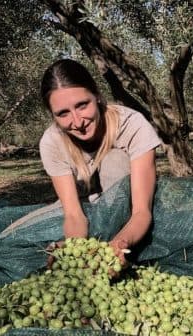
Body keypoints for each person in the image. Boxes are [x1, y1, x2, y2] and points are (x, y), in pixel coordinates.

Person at [38, 58, 162, 265]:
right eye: (63, 113)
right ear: (53, 115)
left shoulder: (133, 126)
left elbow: (141, 212)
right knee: (8, 238)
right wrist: (75, 247)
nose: (77, 122)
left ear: (96, 95)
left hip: (128, 213)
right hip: (83, 209)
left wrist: (119, 245)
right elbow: (73, 214)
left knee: (115, 160)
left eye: (82, 105)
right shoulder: (51, 142)